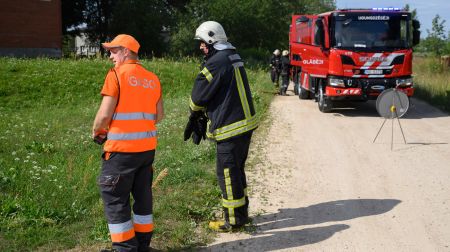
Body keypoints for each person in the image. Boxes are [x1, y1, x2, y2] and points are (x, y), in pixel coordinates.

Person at [92, 34, 164, 252]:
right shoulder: (152, 78)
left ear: (126, 51)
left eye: (113, 51)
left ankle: (124, 247)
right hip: (146, 151)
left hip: (120, 153)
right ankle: (143, 245)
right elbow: (159, 115)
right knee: (143, 197)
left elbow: (104, 116)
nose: (110, 57)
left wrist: (97, 131)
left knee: (115, 199)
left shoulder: (116, 75)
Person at [184, 21, 258, 232]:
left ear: (210, 39)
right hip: (245, 125)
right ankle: (242, 215)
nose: (200, 47)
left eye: (202, 43)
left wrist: (194, 115)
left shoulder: (216, 62)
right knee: (237, 171)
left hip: (231, 127)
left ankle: (233, 221)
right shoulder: (233, 56)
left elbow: (197, 97)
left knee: (226, 173)